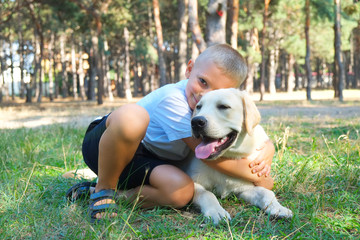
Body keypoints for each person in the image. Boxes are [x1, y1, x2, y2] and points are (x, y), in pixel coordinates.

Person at [70, 44, 275, 221]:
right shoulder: (173, 99)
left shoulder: (211, 114)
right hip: (106, 144)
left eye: (215, 93)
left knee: (181, 192)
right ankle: (103, 192)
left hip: (147, 162)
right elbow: (208, 157)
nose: (204, 95)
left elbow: (252, 130)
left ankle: (113, 195)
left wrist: (269, 147)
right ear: (189, 69)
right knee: (133, 116)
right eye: (203, 81)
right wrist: (260, 178)